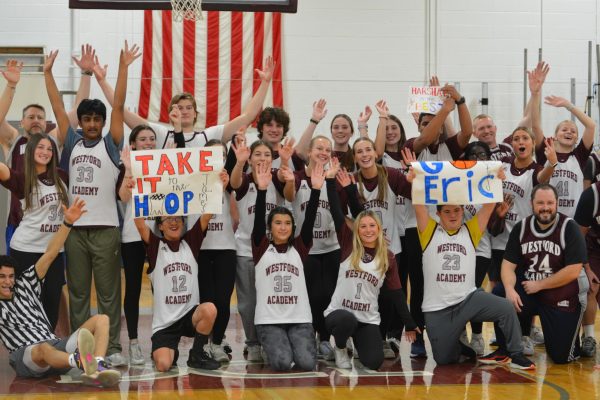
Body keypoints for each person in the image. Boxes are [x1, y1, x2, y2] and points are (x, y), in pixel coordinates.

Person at [45, 42, 140, 366]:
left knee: (110, 296)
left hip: (106, 232)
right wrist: (47, 74)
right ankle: (82, 351)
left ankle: (112, 348)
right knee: (80, 297)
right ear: (81, 122)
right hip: (75, 233)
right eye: (86, 119)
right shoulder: (70, 141)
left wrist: (123, 67)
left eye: (96, 120)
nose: (91, 124)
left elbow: (119, 106)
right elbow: (58, 108)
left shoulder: (112, 144)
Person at [405, 154, 534, 369]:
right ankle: (460, 346)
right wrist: (415, 183)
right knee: (444, 359)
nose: (453, 215)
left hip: (468, 299)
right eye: (447, 211)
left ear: (463, 211)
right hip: (438, 308)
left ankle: (515, 353)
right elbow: (419, 205)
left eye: (457, 210)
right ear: (438, 213)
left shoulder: (471, 230)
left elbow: (489, 205)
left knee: (505, 307)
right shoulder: (428, 232)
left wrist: (496, 181)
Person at [0, 198, 121, 387]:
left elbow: (50, 253)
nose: (8, 281)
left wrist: (68, 223)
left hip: (57, 348)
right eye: (2, 277)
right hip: (27, 356)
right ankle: (82, 362)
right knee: (43, 348)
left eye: (10, 276)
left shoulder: (25, 284)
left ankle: (96, 366)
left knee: (102, 319)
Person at [132, 169, 229, 372]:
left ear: (184, 223)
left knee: (210, 309)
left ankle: (196, 354)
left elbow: (208, 213)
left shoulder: (191, 242)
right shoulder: (156, 246)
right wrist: (136, 193)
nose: (174, 222)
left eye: (178, 218)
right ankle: (169, 350)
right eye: (168, 219)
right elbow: (140, 226)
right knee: (163, 365)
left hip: (189, 315)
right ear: (160, 226)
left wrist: (220, 186)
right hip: (165, 323)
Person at [324, 166, 418, 370]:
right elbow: (335, 210)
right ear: (357, 229)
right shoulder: (348, 245)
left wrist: (409, 323)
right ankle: (340, 347)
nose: (367, 230)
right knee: (346, 320)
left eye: (372, 226)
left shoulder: (388, 257)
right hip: (339, 315)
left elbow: (397, 293)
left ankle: (360, 342)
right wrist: (331, 182)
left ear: (378, 229)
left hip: (367, 320)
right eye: (363, 226)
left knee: (374, 362)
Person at [0, 46, 93, 250]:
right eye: (30, 117)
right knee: (18, 277)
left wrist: (86, 74)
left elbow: (78, 112)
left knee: (52, 276)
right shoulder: (14, 140)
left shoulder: (52, 140)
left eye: (40, 118)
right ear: (21, 123)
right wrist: (11, 85)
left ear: (46, 123)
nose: (36, 121)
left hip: (51, 225)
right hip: (19, 221)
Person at [94, 55, 275, 148]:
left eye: (189, 107)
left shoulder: (209, 135)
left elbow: (248, 115)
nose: (185, 111)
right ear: (172, 113)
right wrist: (102, 81)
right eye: (180, 108)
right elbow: (121, 111)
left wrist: (265, 83)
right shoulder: (158, 133)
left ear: (196, 113)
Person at [496, 183, 588, 364]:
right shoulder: (521, 228)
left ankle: (567, 337)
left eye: (550, 203)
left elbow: (573, 271)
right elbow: (507, 265)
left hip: (562, 294)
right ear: (532, 204)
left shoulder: (569, 228)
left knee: (561, 357)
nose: (545, 208)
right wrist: (509, 289)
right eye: (540, 203)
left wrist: (540, 284)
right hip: (531, 291)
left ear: (557, 204)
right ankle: (509, 346)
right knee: (500, 294)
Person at [251, 160, 326, 371]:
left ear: (293, 227)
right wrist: (262, 189)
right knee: (283, 363)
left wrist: (316, 190)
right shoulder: (261, 247)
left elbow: (309, 219)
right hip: (269, 320)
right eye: (277, 223)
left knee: (307, 363)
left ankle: (295, 344)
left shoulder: (300, 248)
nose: (283, 227)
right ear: (269, 228)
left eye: (287, 223)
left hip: (299, 318)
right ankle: (272, 345)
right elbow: (257, 221)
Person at [229, 138, 290, 361]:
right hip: (246, 250)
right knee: (249, 302)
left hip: (274, 252)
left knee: (272, 298)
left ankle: (271, 341)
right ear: (250, 158)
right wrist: (238, 163)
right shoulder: (245, 180)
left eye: (266, 154)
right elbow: (234, 184)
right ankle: (253, 343)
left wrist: (285, 161)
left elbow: (290, 193)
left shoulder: (277, 178)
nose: (262, 158)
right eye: (258, 154)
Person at [0, 134, 68, 331]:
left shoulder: (62, 175)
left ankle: (46, 343)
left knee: (52, 299)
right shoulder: (23, 179)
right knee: (26, 302)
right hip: (25, 249)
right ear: (30, 151)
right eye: (40, 147)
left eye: (49, 148)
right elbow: (3, 171)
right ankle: (25, 347)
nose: (45, 152)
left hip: (55, 250)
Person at [289, 136, 341, 361]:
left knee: (328, 296)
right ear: (308, 152)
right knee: (310, 297)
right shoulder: (297, 178)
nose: (324, 152)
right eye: (319, 148)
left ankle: (325, 340)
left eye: (328, 149)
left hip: (331, 248)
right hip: (305, 249)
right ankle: (308, 337)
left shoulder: (334, 180)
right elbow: (289, 197)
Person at [115, 125, 158, 365]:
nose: (148, 142)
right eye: (143, 139)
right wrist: (130, 168)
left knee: (159, 289)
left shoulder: (164, 164)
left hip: (157, 235)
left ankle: (159, 339)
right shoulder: (126, 166)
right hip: (132, 234)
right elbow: (123, 197)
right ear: (133, 144)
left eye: (152, 139)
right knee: (132, 289)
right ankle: (133, 342)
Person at [573, 181, 600, 358]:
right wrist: (587, 269)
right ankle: (589, 336)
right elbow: (578, 236)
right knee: (593, 285)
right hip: (592, 246)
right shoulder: (592, 195)